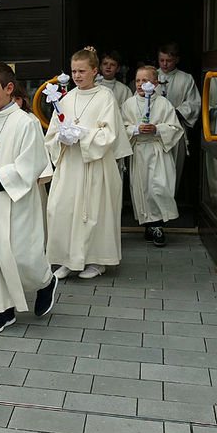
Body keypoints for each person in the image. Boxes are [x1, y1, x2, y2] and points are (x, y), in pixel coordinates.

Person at [0, 63, 58, 335]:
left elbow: (31, 163)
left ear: (9, 88)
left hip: (17, 199)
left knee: (21, 254)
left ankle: (44, 282)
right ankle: (3, 310)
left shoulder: (27, 122)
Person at [45, 47, 132, 279]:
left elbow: (110, 133)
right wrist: (61, 138)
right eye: (74, 71)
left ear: (95, 71)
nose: (77, 76)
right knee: (63, 209)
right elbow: (53, 133)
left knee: (93, 211)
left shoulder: (105, 97)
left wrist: (83, 135)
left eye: (82, 71)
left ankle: (96, 260)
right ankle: (68, 258)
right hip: (71, 164)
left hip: (95, 165)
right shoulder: (66, 98)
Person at [121, 66, 184, 247]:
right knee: (144, 190)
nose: (141, 84)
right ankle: (150, 225)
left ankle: (158, 226)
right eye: (138, 80)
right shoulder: (129, 104)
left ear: (155, 84)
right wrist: (134, 129)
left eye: (146, 81)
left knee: (159, 188)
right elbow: (121, 128)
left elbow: (175, 128)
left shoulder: (164, 104)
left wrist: (157, 129)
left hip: (158, 151)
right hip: (139, 151)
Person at [156, 42, 201, 190]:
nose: (165, 64)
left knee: (174, 166)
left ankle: (170, 201)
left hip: (176, 127)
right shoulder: (151, 76)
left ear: (177, 60)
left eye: (168, 60)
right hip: (155, 129)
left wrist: (176, 112)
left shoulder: (186, 78)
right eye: (161, 60)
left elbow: (194, 103)